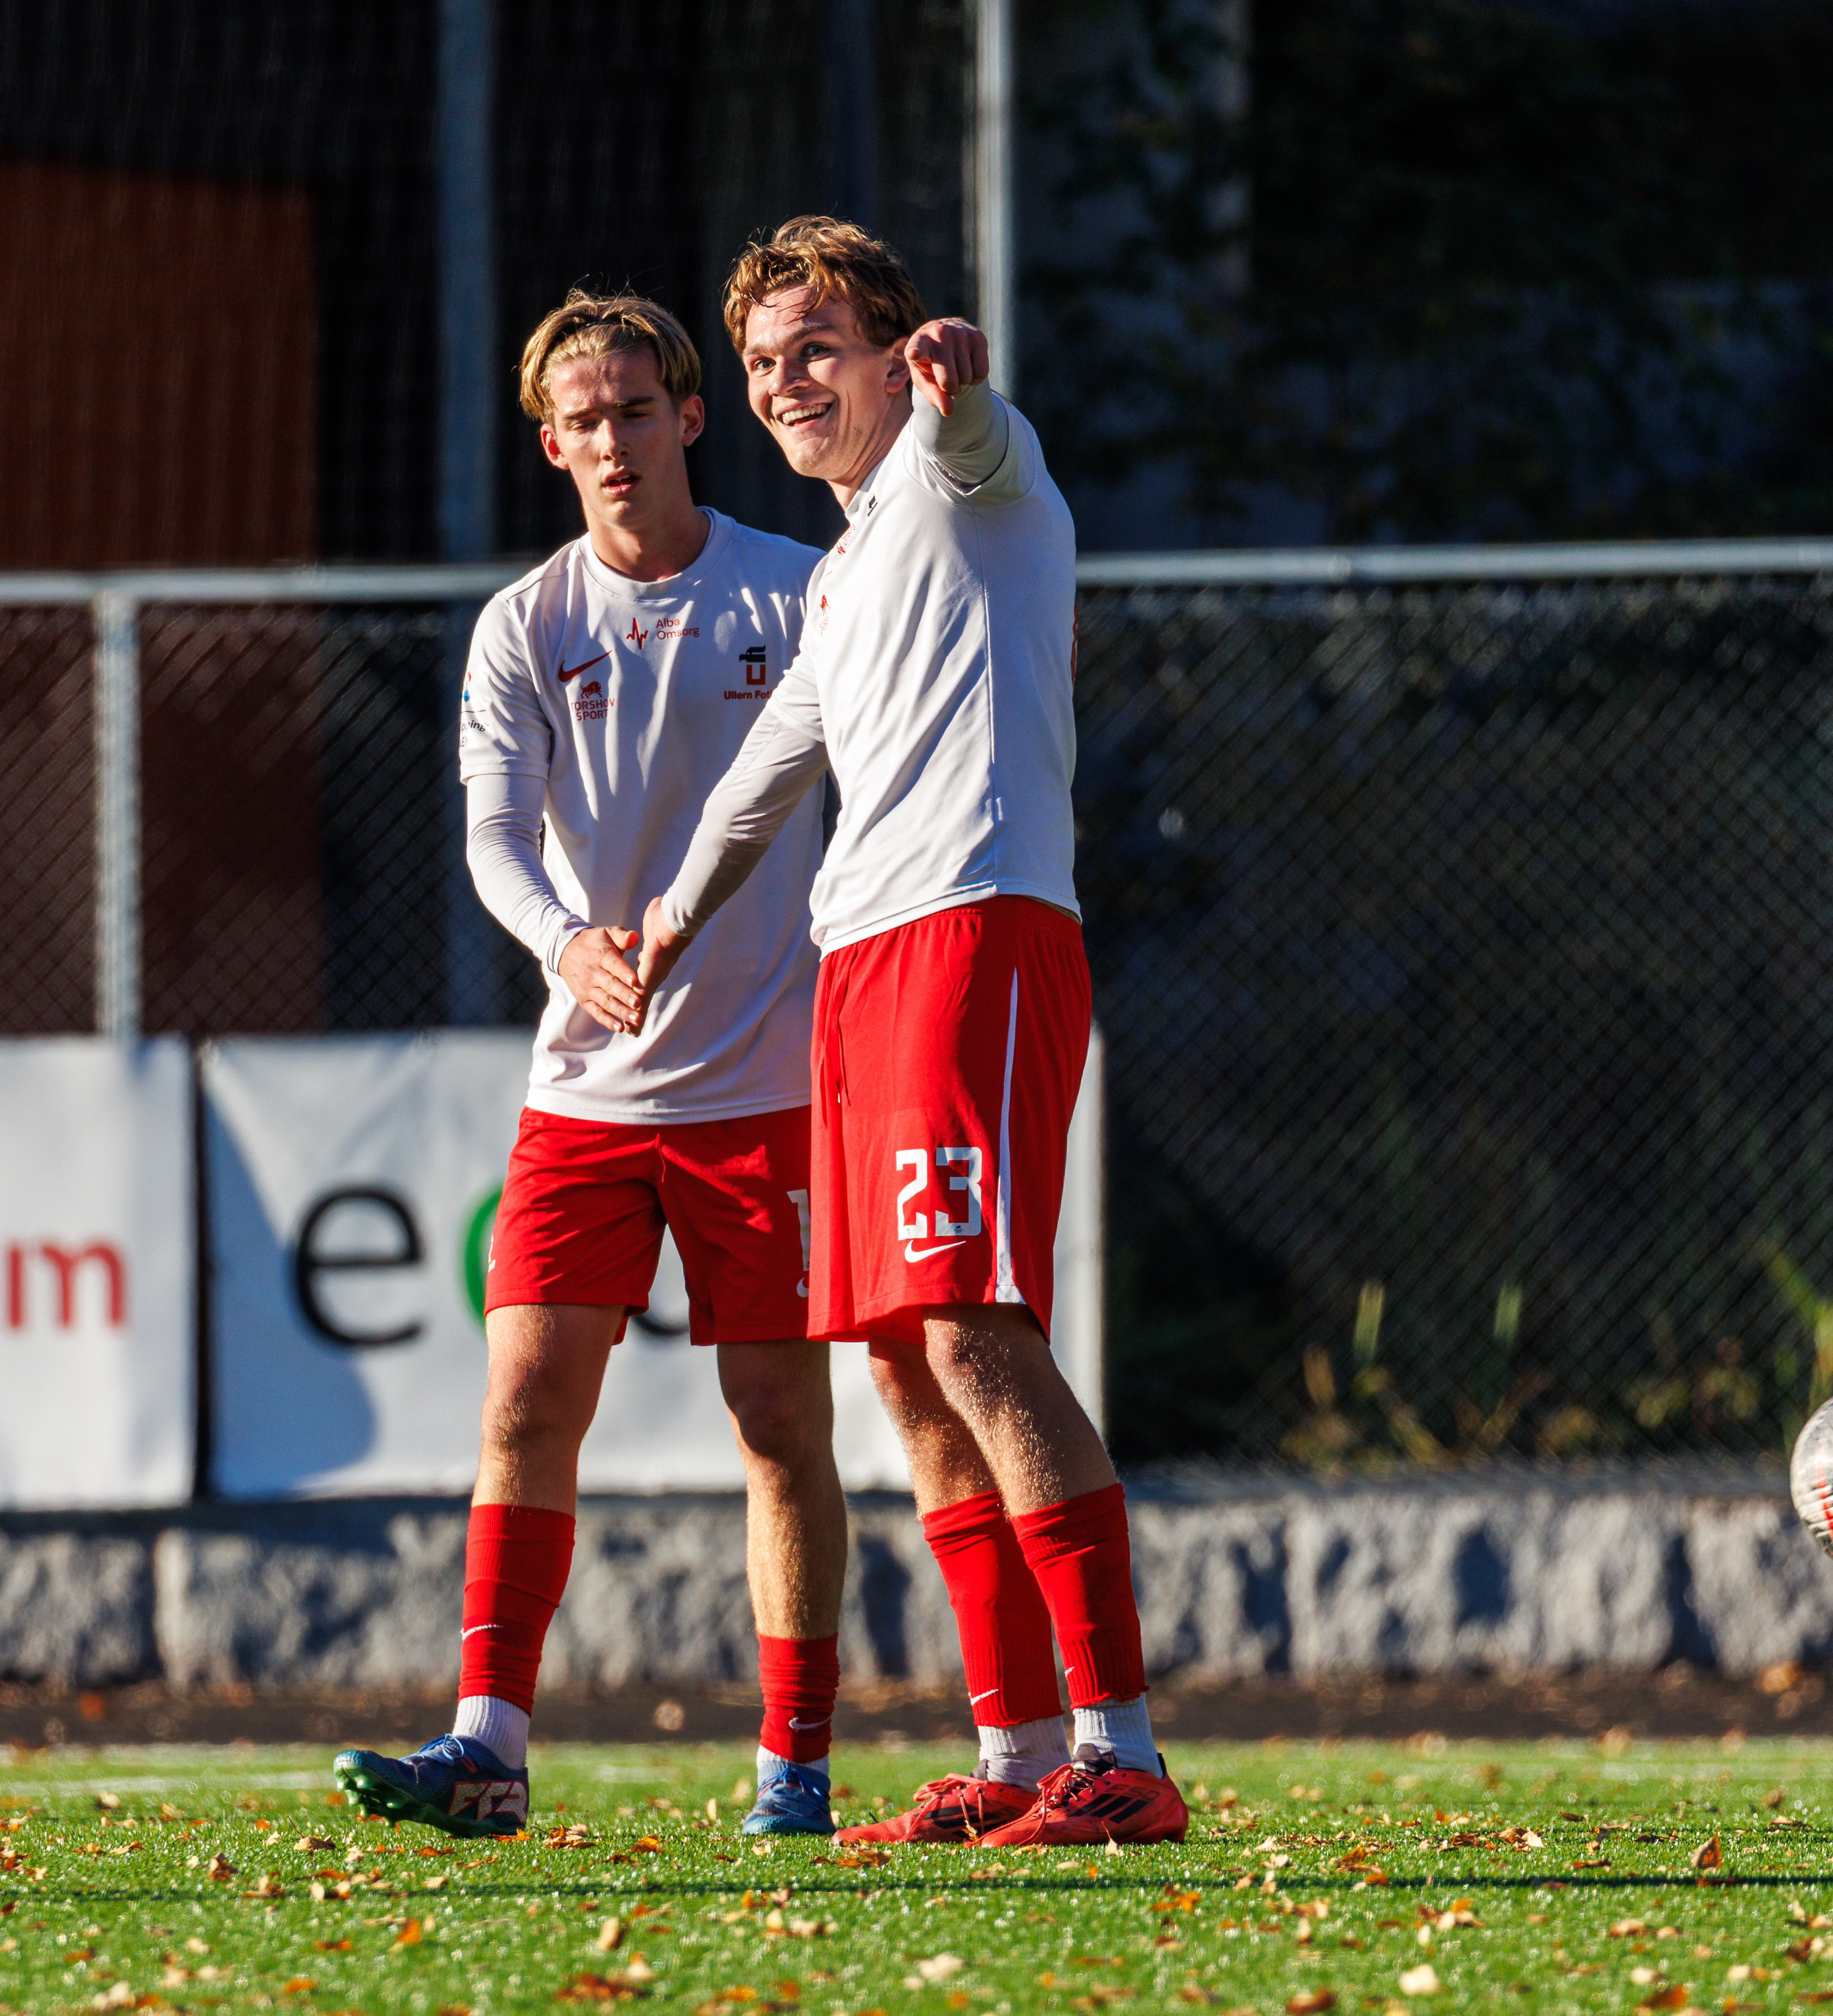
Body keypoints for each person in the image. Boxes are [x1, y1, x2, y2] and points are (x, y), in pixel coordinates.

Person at [638, 217, 1185, 1847]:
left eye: (817, 348)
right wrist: (661, 924)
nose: (786, 382)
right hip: (858, 968)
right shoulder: (849, 567)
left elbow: (974, 420)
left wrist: (956, 388)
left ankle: (1123, 1754)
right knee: (899, 1359)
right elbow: (766, 774)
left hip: (977, 936)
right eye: (759, 364)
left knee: (972, 1328)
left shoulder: (972, 479)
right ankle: (1016, 1758)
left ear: (889, 351)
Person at [334, 292, 846, 1838]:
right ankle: (485, 1746)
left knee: (777, 1424)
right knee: (522, 1404)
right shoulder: (526, 624)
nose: (612, 442)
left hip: (768, 1088)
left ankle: (794, 1767)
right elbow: (492, 837)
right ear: (547, 442)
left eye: (638, 410)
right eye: (584, 420)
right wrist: (570, 943)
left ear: (692, 419)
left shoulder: (803, 592)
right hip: (587, 1089)